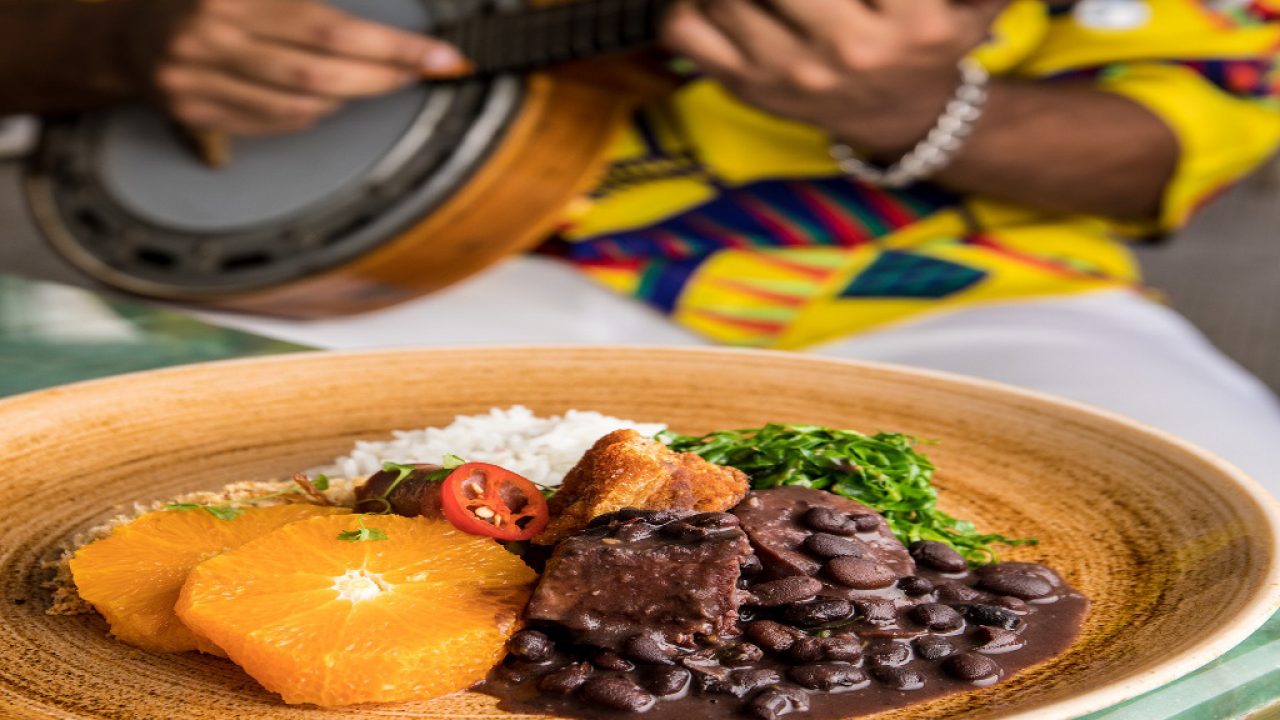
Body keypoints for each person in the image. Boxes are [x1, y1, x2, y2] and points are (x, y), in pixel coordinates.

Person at [3, 0, 1280, 493]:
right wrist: (129, 40)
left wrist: (901, 105)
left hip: (937, 283)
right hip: (389, 271)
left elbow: (1175, 131)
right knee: (103, 491)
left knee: (1224, 514)